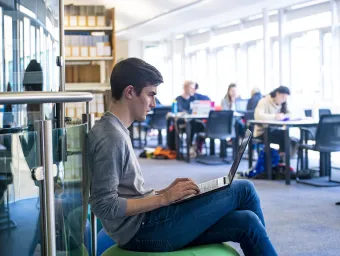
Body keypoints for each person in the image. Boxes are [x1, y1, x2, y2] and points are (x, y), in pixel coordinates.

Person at [88, 58, 277, 255]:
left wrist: (163, 193)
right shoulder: (111, 137)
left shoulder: (115, 129)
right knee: (244, 189)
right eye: (150, 95)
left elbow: (127, 192)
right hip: (143, 230)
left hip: (144, 222)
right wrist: (164, 200)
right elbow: (104, 206)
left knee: (247, 221)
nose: (153, 103)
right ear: (129, 92)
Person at [254, 85, 291, 150]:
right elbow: (258, 116)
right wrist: (275, 117)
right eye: (282, 97)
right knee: (284, 136)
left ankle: (281, 157)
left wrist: (284, 116)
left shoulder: (282, 104)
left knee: (288, 137)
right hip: (262, 132)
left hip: (275, 130)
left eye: (285, 98)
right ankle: (281, 157)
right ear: (277, 94)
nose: (284, 100)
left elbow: (289, 114)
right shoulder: (264, 101)